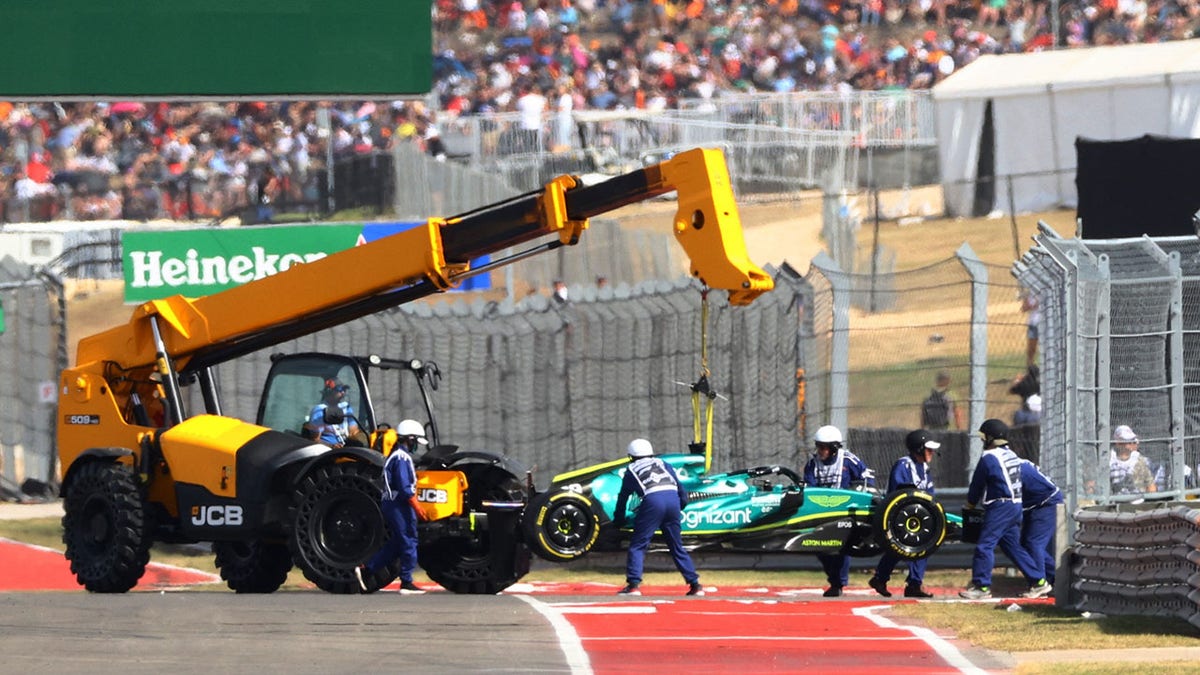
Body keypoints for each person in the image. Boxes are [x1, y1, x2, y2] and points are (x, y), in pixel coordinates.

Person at [960, 419, 1052, 600]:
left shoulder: (988, 458)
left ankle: (981, 587)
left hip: (1000, 506)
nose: (982, 441)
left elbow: (977, 485)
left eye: (983, 438)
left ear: (990, 438)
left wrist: (970, 505)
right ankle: (1039, 582)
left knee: (985, 545)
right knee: (1012, 546)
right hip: (1016, 505)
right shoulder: (1011, 455)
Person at [613, 438, 704, 597]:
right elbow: (679, 487)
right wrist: (680, 505)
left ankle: (633, 585)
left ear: (631, 456)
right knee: (677, 546)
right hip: (672, 499)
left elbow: (623, 497)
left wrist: (618, 519)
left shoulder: (631, 469)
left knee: (638, 545)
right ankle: (695, 585)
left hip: (653, 502)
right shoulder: (662, 463)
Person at [355, 419, 429, 594]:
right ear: (409, 439)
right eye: (415, 441)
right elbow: (404, 488)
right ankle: (407, 581)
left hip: (391, 503)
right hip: (399, 505)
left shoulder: (394, 456)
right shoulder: (402, 458)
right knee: (409, 539)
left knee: (397, 543)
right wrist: (417, 507)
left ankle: (367, 571)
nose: (415, 446)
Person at [803, 425, 875, 597]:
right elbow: (808, 487)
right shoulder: (813, 464)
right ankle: (835, 579)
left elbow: (867, 478)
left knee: (842, 546)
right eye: (818, 446)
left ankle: (838, 583)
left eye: (824, 447)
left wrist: (858, 492)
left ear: (834, 448)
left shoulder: (848, 460)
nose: (820, 450)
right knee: (819, 548)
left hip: (845, 512)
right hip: (821, 513)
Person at [869, 429, 940, 599]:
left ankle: (890, 580)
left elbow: (929, 493)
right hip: (899, 515)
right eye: (928, 449)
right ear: (918, 449)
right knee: (909, 546)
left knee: (916, 546)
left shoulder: (924, 468)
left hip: (918, 517)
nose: (931, 453)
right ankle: (908, 583)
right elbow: (900, 491)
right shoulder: (903, 465)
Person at [1019, 458, 1063, 586]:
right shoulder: (1016, 464)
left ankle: (1040, 583)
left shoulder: (1017, 468)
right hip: (1033, 504)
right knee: (1026, 543)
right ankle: (1056, 577)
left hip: (1047, 502)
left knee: (1034, 543)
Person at [304, 379, 362, 448]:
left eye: (344, 390)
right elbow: (315, 439)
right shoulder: (319, 411)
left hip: (346, 448)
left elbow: (353, 430)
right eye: (339, 390)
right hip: (328, 451)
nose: (343, 393)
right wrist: (332, 446)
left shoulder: (346, 407)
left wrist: (354, 437)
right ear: (329, 391)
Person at [1110, 425, 1157, 495]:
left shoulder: (1139, 460)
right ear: (1118, 443)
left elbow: (1150, 485)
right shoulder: (1109, 460)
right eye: (1128, 441)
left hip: (1138, 502)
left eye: (1133, 440)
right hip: (1116, 503)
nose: (1132, 443)